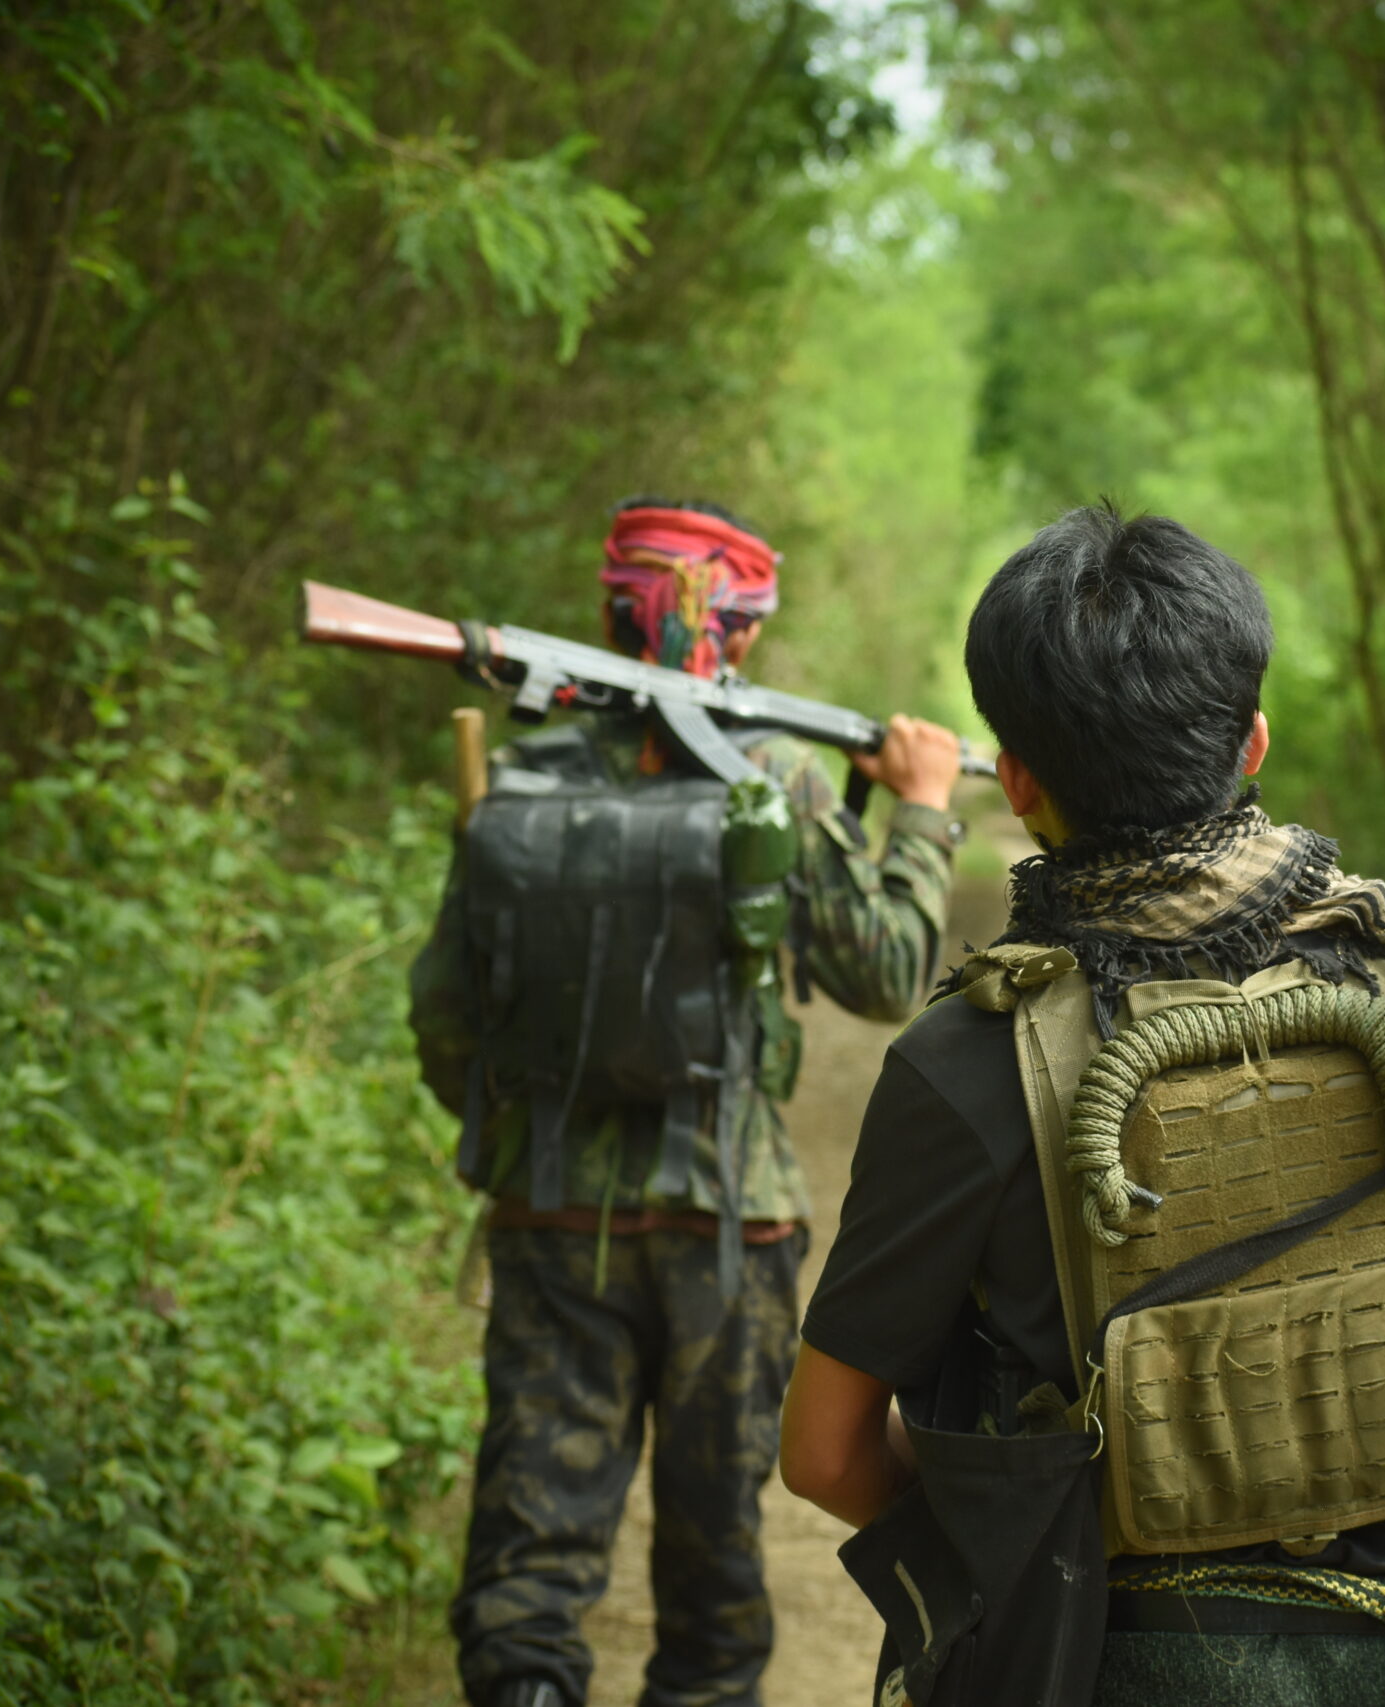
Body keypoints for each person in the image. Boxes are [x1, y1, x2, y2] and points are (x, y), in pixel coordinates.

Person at [780, 504, 1385, 1706]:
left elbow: (825, 1452)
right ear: (1254, 742)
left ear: (1016, 781)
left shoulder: (965, 1060)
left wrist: (1013, 1526)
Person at [408, 497, 968, 1707]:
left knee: (529, 1561)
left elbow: (447, 1018)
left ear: (610, 614)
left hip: (550, 1217)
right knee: (712, 1575)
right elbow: (884, 972)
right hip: (728, 1228)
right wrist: (922, 808)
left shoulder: (520, 782)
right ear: (743, 633)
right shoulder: (775, 781)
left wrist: (529, 1134)